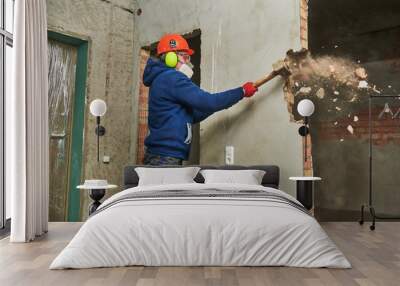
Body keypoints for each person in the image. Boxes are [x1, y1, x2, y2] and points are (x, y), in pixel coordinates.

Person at [142, 34, 258, 166]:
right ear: (170, 57)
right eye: (184, 57)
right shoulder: (172, 78)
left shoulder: (163, 79)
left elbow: (193, 115)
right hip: (165, 157)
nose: (187, 62)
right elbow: (208, 102)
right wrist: (241, 92)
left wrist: (213, 106)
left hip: (163, 155)